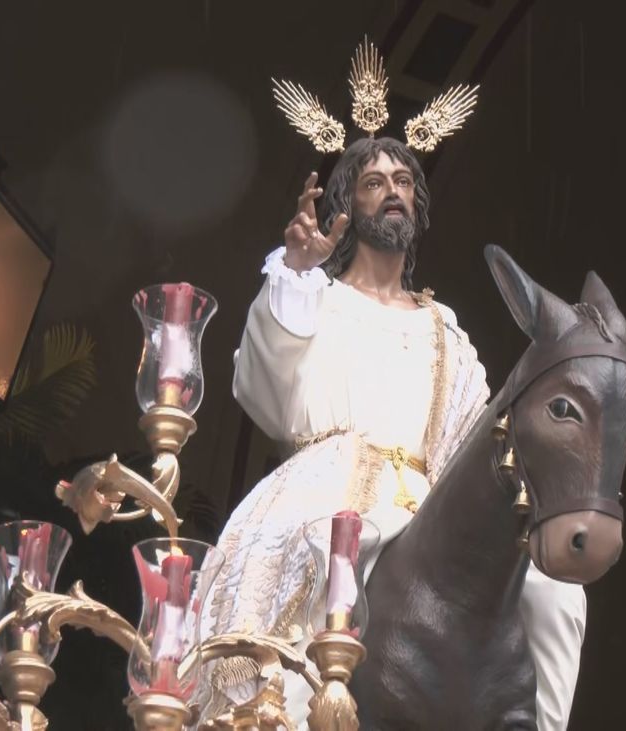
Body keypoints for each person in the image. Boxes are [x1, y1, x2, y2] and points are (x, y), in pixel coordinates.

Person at [198, 45, 587, 729]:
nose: (393, 188)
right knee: (327, 563)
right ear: (349, 203)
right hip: (333, 492)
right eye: (374, 180)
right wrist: (292, 272)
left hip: (432, 501)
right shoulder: (315, 298)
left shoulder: (444, 330)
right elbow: (267, 389)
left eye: (404, 179)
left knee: (557, 589)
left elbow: (480, 441)